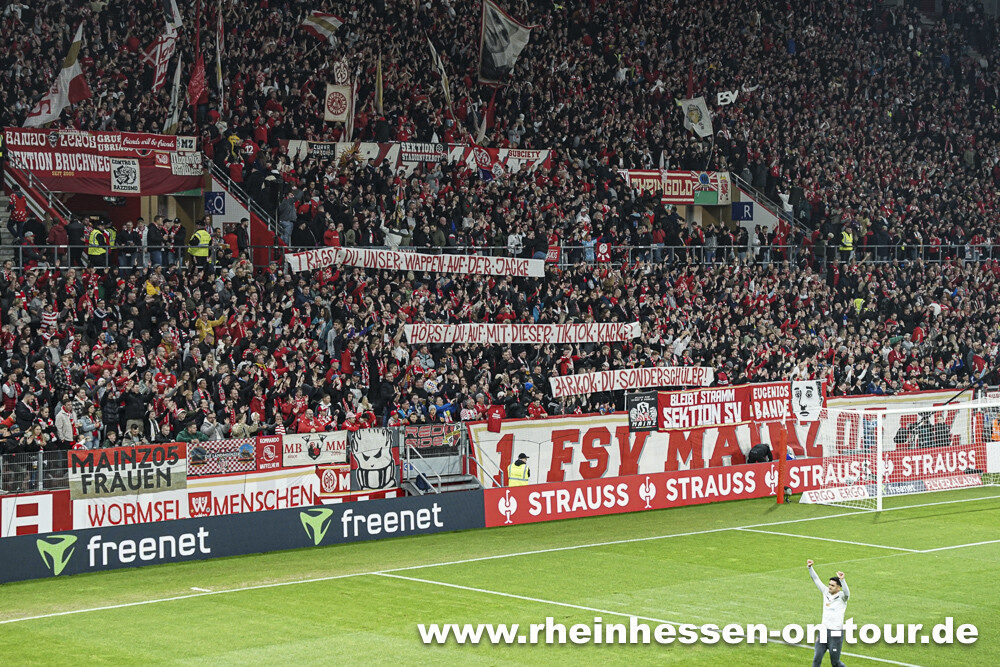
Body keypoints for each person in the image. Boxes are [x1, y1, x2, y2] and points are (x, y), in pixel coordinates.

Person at [807, 559, 849, 667]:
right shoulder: (826, 592)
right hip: (823, 632)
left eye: (833, 585)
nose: (829, 587)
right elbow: (816, 579)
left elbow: (847, 593)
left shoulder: (842, 597)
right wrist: (810, 568)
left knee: (835, 663)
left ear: (838, 587)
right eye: (829, 584)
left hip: (836, 634)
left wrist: (843, 580)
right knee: (816, 659)